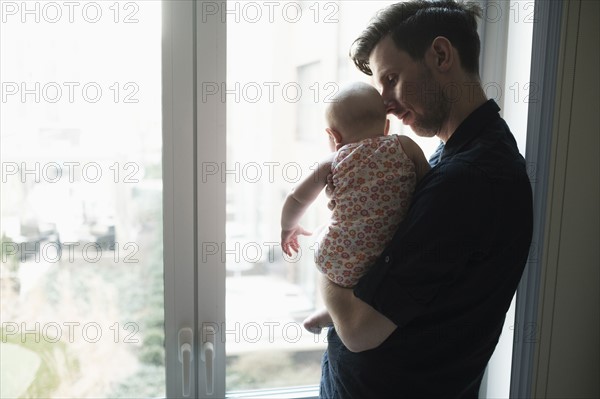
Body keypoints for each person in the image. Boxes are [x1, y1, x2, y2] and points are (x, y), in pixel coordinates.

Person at [316, 1, 534, 398]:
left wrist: (329, 251)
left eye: (392, 78)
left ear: (440, 55)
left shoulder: (468, 179)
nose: (384, 102)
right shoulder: (455, 157)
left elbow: (359, 330)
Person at [280, 82, 430, 331]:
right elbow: (428, 188)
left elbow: (296, 198)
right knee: (366, 278)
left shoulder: (335, 159)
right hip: (390, 258)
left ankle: (332, 313)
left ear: (334, 137)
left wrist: (289, 228)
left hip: (340, 258)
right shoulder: (406, 146)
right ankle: (333, 314)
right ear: (386, 126)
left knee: (322, 232)